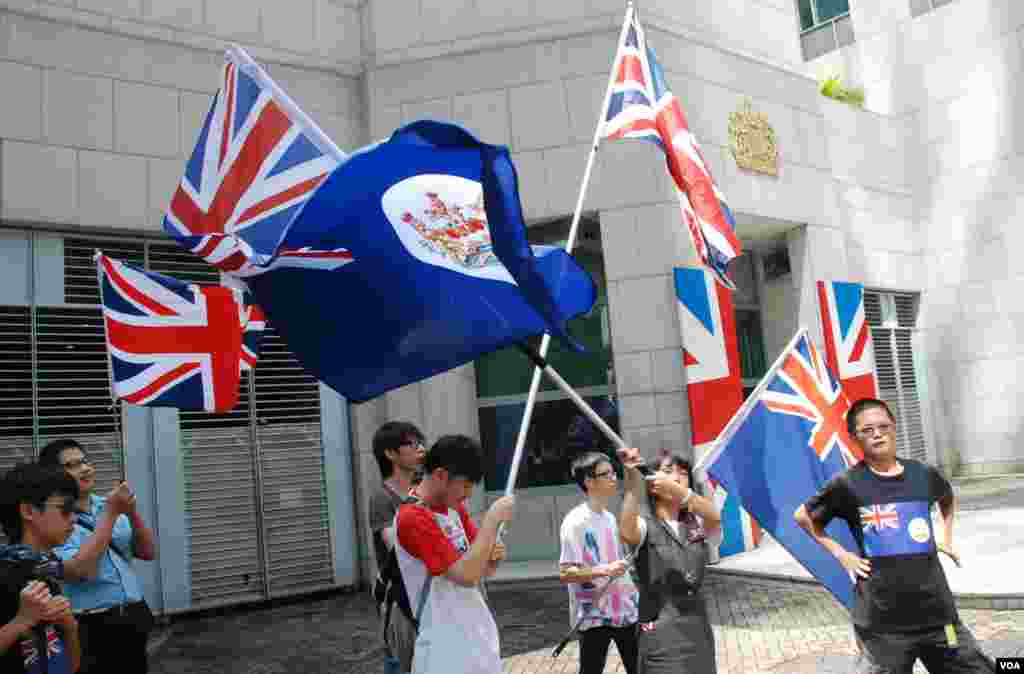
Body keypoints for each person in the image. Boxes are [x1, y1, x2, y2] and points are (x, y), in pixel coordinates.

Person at [794, 398, 994, 673]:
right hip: (882, 625)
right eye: (867, 430)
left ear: (894, 428)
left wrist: (946, 537)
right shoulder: (847, 484)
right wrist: (841, 554)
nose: (877, 434)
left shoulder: (922, 474)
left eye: (883, 426)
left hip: (937, 615)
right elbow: (803, 516)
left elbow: (947, 497)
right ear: (855, 438)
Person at [394, 435, 514, 674]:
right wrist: (491, 522)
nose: (468, 494)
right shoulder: (412, 517)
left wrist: (493, 555)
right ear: (440, 475)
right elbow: (465, 574)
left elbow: (482, 571)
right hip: (443, 650)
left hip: (477, 639)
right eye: (466, 484)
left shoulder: (455, 509)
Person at [37, 439, 157, 674]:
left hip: (132, 615)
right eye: (71, 465)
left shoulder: (108, 504)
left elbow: (147, 552)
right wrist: (112, 514)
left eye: (84, 461)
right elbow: (82, 571)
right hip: (90, 625)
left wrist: (132, 513)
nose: (84, 469)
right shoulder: (53, 519)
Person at [618, 447, 722, 673]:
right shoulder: (645, 524)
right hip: (659, 632)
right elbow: (627, 532)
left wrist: (680, 493)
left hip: (698, 631)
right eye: (668, 471)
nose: (676, 476)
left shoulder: (697, 522)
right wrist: (633, 480)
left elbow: (714, 516)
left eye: (683, 472)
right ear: (653, 483)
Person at [559, 451, 639, 674]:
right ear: (589, 481)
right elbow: (566, 573)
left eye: (614, 472)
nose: (613, 477)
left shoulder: (610, 517)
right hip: (594, 615)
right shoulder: (575, 522)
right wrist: (605, 569)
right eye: (606, 474)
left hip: (624, 609)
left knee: (640, 668)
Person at [0, 463, 82, 673]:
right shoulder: (5, 573)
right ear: (28, 510)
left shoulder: (45, 569)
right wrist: (22, 621)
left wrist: (70, 627)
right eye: (65, 509)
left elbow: (71, 667)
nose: (74, 518)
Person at [369, 421, 427, 674]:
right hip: (401, 603)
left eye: (421, 443)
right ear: (390, 454)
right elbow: (401, 546)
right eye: (412, 444)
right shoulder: (382, 498)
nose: (421, 449)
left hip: (427, 597)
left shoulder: (425, 491)